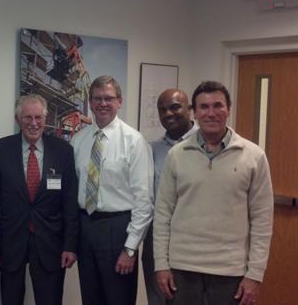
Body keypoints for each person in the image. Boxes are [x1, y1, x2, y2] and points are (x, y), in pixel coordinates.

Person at [154, 81, 274, 305]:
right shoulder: (177, 155)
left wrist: (255, 274)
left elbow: (262, 220)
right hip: (182, 269)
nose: (211, 113)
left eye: (217, 105)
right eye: (204, 107)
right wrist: (161, 265)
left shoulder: (254, 156)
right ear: (195, 112)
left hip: (231, 272)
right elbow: (162, 214)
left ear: (228, 108)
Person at [0, 94, 79, 305]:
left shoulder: (63, 151)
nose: (34, 123)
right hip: (11, 241)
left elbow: (69, 201)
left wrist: (70, 245)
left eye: (39, 117)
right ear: (18, 119)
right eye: (28, 117)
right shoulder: (0, 150)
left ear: (45, 119)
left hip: (51, 242)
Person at [71, 75, 154, 305]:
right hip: (86, 227)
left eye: (109, 98)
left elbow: (144, 200)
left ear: (120, 101)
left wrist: (130, 249)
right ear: (90, 102)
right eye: (97, 98)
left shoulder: (134, 141)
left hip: (119, 229)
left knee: (119, 298)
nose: (103, 103)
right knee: (91, 297)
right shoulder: (78, 141)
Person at [142, 89, 197, 305]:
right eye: (162, 109)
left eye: (175, 107)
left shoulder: (205, 144)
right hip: (156, 237)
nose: (168, 114)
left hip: (192, 239)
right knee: (157, 298)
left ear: (189, 109)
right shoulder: (151, 149)